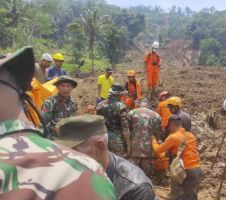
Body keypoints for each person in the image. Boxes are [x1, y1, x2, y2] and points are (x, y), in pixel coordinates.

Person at [0, 47, 116, 200]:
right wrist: (44, 144)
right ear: (58, 87)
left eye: (69, 86)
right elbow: (44, 123)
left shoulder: (73, 103)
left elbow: (74, 120)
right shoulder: (50, 102)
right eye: (63, 86)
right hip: (52, 140)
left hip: (69, 142)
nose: (66, 89)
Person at [55, 115, 155, 200]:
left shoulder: (134, 188)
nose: (63, 158)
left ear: (99, 147)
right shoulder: (63, 173)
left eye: (72, 152)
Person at [151, 115, 201, 200]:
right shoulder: (190, 135)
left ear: (172, 125)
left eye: (169, 127)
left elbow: (158, 150)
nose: (169, 129)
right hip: (196, 169)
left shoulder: (173, 137)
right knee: (192, 196)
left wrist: (153, 140)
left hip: (186, 171)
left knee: (184, 197)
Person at [96, 84, 131, 157]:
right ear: (119, 94)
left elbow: (97, 123)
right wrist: (128, 145)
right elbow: (125, 129)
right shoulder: (120, 106)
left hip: (102, 138)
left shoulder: (100, 105)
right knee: (116, 163)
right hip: (116, 140)